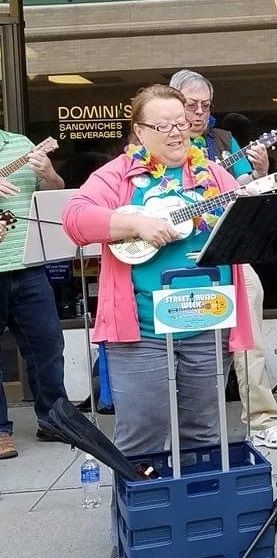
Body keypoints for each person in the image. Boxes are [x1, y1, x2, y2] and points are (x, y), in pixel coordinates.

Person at [62, 84, 254, 458]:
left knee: (205, 435)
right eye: (163, 125)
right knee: (141, 437)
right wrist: (136, 225)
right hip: (142, 333)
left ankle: (202, 513)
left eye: (181, 123)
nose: (176, 132)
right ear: (140, 131)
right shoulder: (117, 176)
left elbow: (247, 241)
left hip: (207, 324)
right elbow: (75, 218)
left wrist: (247, 216)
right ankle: (143, 514)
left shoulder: (214, 176)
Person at [169, 69, 277, 449]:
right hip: (174, 252)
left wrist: (260, 171)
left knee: (250, 335)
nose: (198, 113)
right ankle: (182, 426)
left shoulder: (223, 139)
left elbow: (250, 192)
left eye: (205, 106)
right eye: (190, 105)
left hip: (228, 246)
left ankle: (261, 420)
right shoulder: (159, 141)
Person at [0, 129, 68, 460]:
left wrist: (49, 175)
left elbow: (54, 194)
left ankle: (54, 419)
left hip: (28, 264)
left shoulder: (20, 145)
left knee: (48, 346)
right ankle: (0, 431)